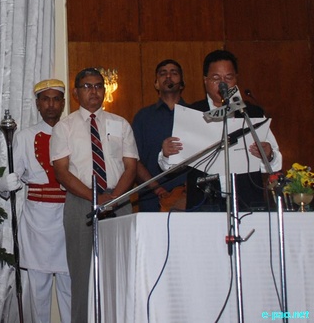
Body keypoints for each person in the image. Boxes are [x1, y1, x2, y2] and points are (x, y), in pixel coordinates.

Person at [50, 68, 138, 323]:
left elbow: (131, 167)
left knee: (121, 270)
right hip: (81, 202)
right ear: (76, 92)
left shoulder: (120, 123)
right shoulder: (64, 127)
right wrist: (94, 198)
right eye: (87, 87)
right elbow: (61, 172)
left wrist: (114, 198)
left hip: (118, 201)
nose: (94, 91)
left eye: (99, 86)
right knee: (82, 275)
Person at [159, 50, 281, 206]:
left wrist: (268, 155)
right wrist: (166, 154)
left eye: (228, 78)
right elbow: (171, 166)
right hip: (204, 203)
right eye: (216, 78)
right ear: (205, 81)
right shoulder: (192, 113)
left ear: (236, 79)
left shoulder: (251, 113)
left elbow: (276, 163)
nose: (223, 84)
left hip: (247, 202)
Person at [0, 79, 71, 323]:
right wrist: (4, 184)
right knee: (38, 288)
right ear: (38, 104)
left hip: (69, 215)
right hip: (37, 220)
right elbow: (9, 176)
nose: (51, 105)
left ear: (63, 103)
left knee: (69, 286)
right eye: (45, 99)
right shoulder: (25, 136)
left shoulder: (73, 132)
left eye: (56, 99)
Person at [132, 59, 188, 212]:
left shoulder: (196, 114)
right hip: (152, 199)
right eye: (163, 73)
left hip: (191, 198)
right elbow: (134, 160)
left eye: (174, 73)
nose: (168, 76)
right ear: (156, 84)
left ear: (182, 83)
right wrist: (157, 189)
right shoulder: (143, 117)